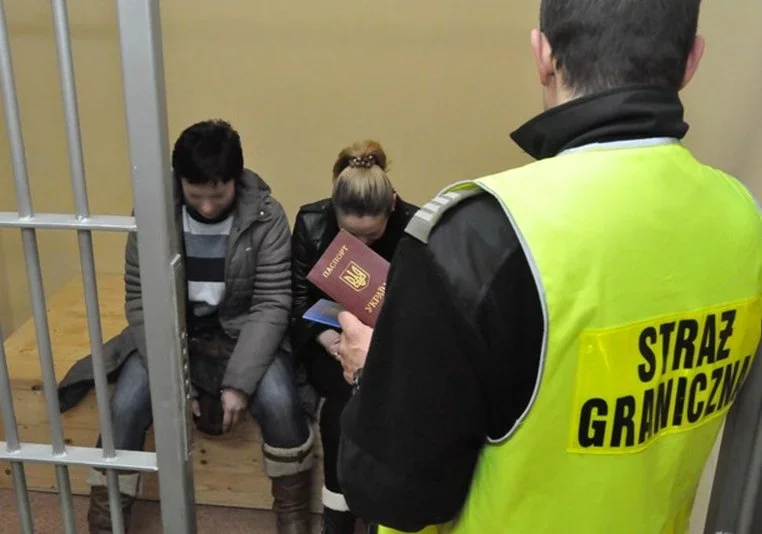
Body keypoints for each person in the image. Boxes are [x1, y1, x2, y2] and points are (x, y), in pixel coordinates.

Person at [334, 1, 762, 533]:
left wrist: (372, 373)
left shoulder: (480, 238)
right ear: (691, 61)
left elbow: (394, 495)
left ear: (543, 56)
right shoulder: (745, 220)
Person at [58, 120, 314, 534]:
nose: (207, 207)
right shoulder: (154, 214)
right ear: (180, 182)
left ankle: (293, 517)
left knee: (282, 400)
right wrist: (176, 380)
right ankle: (106, 520)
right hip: (173, 328)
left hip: (243, 328)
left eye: (218, 195)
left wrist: (239, 384)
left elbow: (272, 304)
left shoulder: (267, 215)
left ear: (236, 180)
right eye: (196, 196)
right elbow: (141, 299)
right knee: (126, 403)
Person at [290, 140, 418, 533]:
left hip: (391, 346)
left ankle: (380, 511)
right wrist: (328, 339)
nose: (360, 246)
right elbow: (297, 300)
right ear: (334, 209)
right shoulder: (312, 223)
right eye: (350, 235)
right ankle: (338, 514)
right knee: (345, 403)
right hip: (328, 343)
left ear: (391, 206)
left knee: (383, 399)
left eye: (372, 235)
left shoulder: (415, 227)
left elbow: (422, 307)